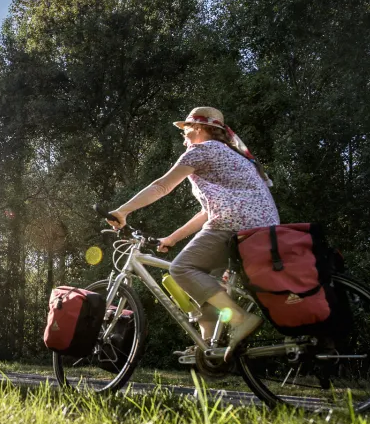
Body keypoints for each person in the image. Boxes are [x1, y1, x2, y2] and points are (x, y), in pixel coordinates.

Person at [107, 106, 279, 359]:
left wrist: (122, 211)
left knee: (182, 269)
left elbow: (162, 186)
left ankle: (241, 319)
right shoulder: (232, 156)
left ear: (198, 129)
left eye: (185, 129)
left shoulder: (201, 151)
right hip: (260, 228)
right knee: (207, 284)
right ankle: (209, 349)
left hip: (235, 225)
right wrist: (172, 239)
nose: (183, 135)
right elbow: (206, 213)